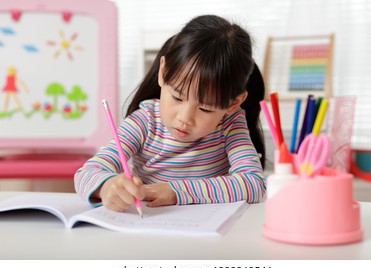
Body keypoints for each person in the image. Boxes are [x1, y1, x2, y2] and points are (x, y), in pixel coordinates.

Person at [75, 15, 267, 212]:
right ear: (163, 71)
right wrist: (106, 186)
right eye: (177, 97)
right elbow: (86, 174)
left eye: (205, 108)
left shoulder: (230, 124)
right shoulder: (144, 122)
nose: (185, 118)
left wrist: (175, 191)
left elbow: (253, 184)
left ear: (234, 103)